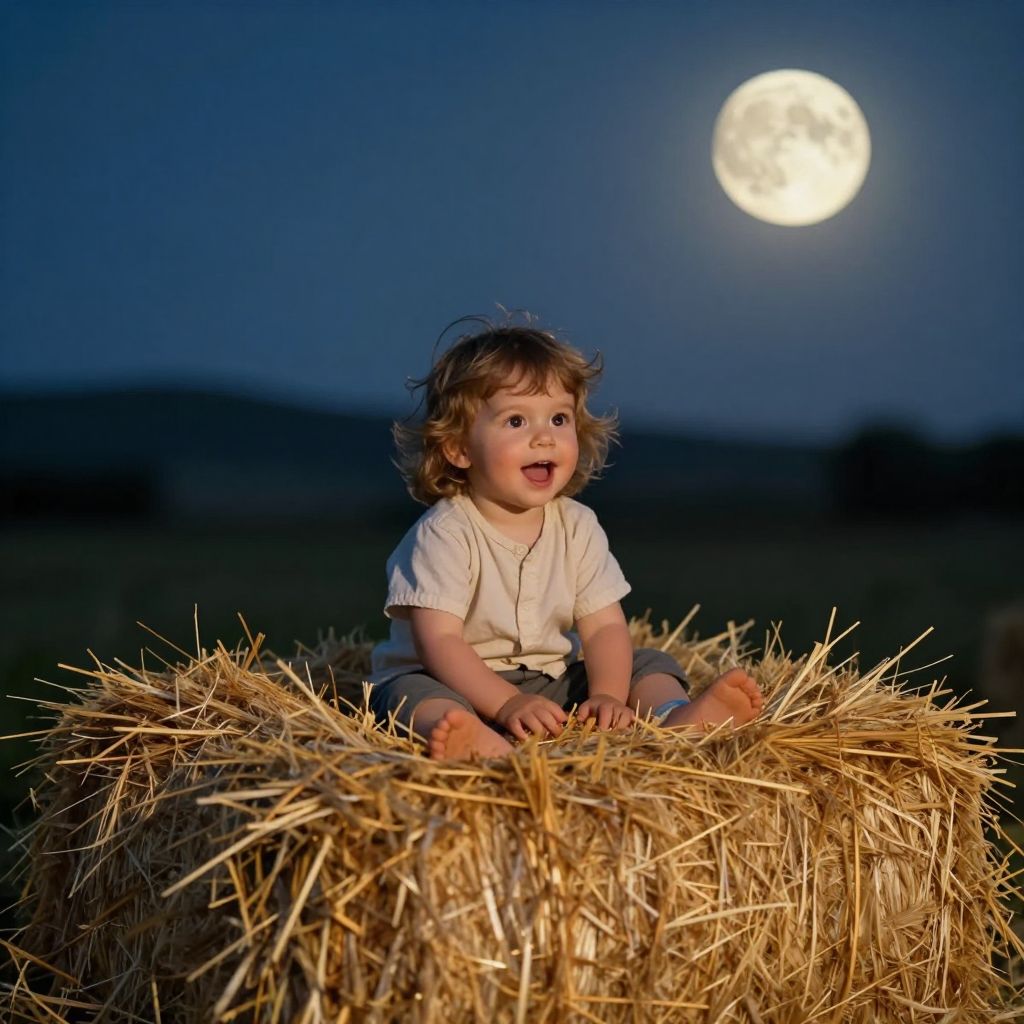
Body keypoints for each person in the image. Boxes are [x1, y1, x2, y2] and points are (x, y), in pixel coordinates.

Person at [368, 317, 763, 760]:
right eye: (516, 420)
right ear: (459, 449)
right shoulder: (444, 534)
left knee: (647, 663)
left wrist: (608, 697)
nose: (544, 437)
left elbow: (605, 626)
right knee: (408, 695)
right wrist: (506, 703)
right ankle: (471, 741)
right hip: (449, 679)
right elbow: (440, 643)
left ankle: (676, 720)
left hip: (545, 683)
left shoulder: (577, 525)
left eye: (559, 418)